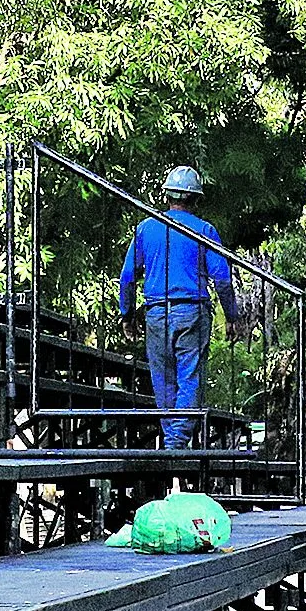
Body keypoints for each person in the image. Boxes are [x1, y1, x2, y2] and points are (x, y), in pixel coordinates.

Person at [117, 167, 241, 449]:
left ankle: (171, 444)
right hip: (192, 313)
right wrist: (231, 316)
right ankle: (175, 444)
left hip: (157, 312)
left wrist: (127, 314)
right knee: (190, 378)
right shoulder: (204, 230)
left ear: (167, 195)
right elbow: (221, 277)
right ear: (196, 199)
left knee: (163, 381)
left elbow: (127, 277)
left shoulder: (146, 229)